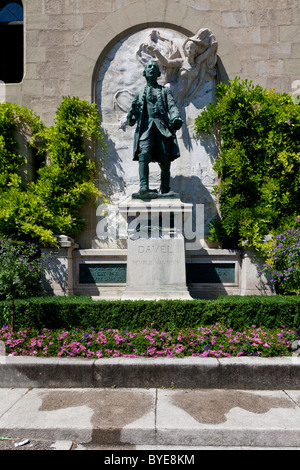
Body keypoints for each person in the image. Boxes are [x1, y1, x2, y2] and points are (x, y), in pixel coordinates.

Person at [126, 60, 183, 198]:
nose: (151, 69)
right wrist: (131, 117)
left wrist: (175, 117)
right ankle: (143, 187)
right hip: (146, 129)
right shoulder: (140, 93)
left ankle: (165, 188)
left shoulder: (165, 91)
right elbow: (132, 113)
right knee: (143, 155)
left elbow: (172, 106)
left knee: (165, 160)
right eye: (149, 67)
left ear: (158, 73)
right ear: (144, 72)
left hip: (162, 128)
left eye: (154, 67)